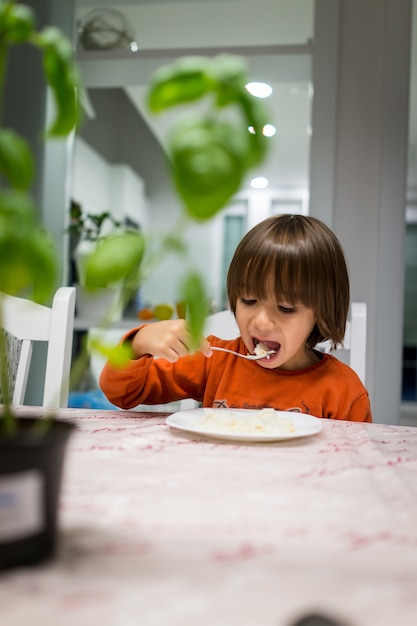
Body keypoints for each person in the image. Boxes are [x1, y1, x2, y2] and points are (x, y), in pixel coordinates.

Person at [100, 214, 372, 422]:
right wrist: (137, 344)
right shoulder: (213, 362)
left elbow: (358, 467)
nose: (262, 322)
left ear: (321, 311)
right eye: (249, 301)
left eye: (286, 307)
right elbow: (122, 393)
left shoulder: (342, 390)